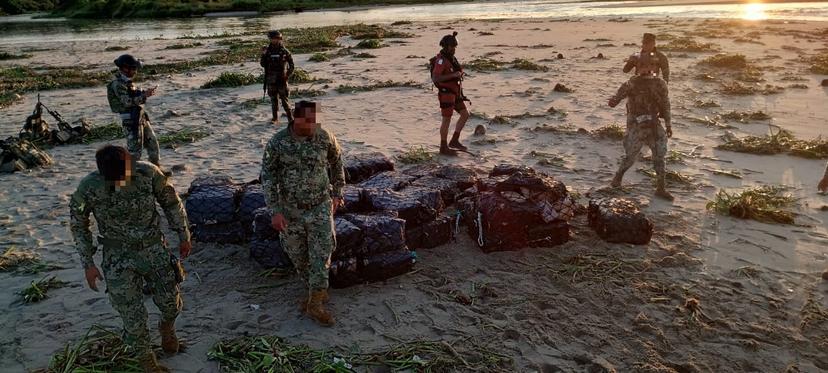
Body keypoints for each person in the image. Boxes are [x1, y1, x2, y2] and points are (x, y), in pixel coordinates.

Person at [69, 145, 192, 372]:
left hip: (154, 250)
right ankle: (147, 361)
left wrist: (183, 235)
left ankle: (167, 328)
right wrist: (88, 263)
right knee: (132, 315)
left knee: (171, 304)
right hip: (118, 258)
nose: (120, 183)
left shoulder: (149, 173)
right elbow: (78, 223)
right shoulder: (89, 187)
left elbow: (172, 203)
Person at [260, 101, 345, 326]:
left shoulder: (324, 137)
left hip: (319, 207)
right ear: (295, 119)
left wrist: (338, 193)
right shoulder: (278, 144)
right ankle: (314, 291)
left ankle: (315, 303)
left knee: (322, 253)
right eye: (308, 121)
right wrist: (275, 211)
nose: (312, 125)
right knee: (297, 254)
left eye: (315, 119)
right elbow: (268, 178)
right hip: (291, 211)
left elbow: (337, 163)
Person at [608, 59, 674, 201]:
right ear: (637, 69)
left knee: (660, 155)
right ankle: (617, 178)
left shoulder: (660, 84)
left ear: (656, 67)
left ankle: (661, 188)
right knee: (631, 155)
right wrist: (613, 101)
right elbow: (617, 96)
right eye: (643, 66)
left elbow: (666, 104)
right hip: (636, 125)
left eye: (651, 65)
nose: (647, 68)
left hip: (654, 125)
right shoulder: (631, 83)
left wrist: (668, 124)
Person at [107, 54, 164, 172]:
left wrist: (143, 92)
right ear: (124, 68)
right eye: (132, 69)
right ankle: (130, 174)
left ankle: (157, 170)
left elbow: (134, 93)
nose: (134, 71)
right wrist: (144, 96)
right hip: (130, 119)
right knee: (134, 150)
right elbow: (127, 102)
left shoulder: (127, 82)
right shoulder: (118, 84)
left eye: (134, 69)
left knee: (152, 142)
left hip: (140, 116)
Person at [430, 31, 470, 155]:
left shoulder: (451, 58)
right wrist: (454, 74)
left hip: (455, 93)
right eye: (452, 47)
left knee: (465, 114)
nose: (454, 49)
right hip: (446, 94)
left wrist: (459, 74)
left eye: (455, 47)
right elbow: (435, 78)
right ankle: (443, 147)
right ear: (445, 47)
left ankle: (454, 141)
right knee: (446, 120)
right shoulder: (440, 61)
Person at [260, 30, 296, 125]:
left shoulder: (284, 51)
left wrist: (287, 75)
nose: (275, 41)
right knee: (273, 100)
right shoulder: (267, 51)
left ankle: (290, 118)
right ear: (270, 39)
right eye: (273, 39)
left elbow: (292, 65)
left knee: (284, 100)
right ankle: (275, 118)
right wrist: (263, 55)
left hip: (282, 79)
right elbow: (263, 64)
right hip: (271, 79)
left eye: (276, 39)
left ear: (280, 39)